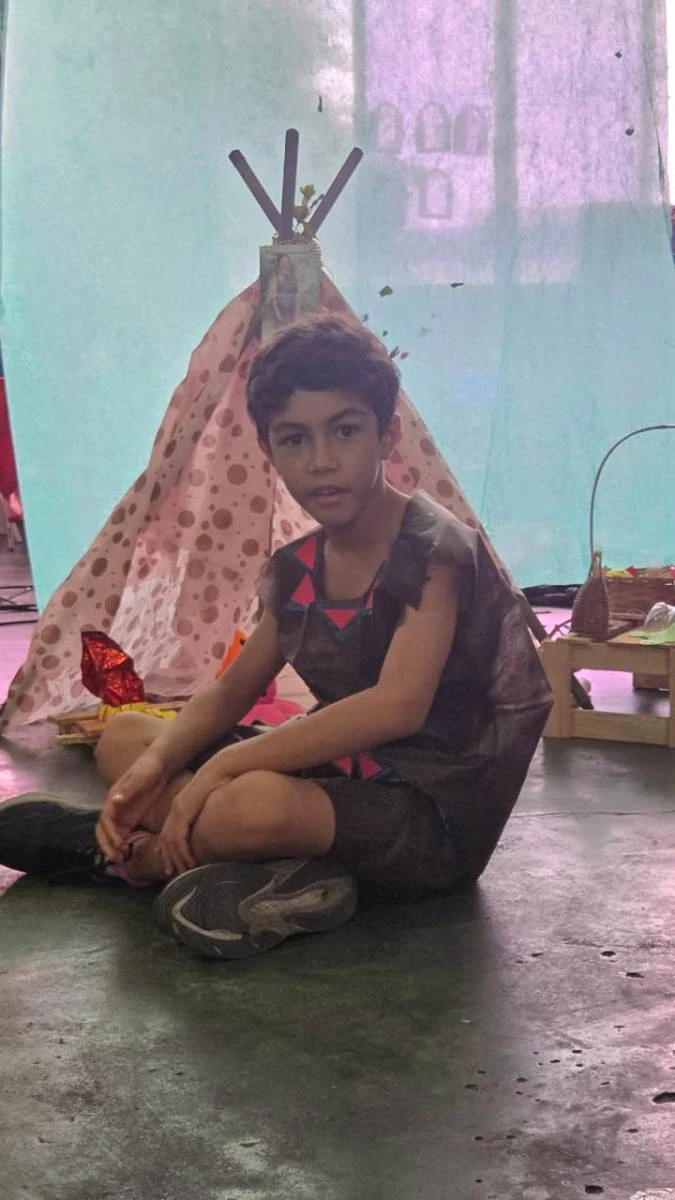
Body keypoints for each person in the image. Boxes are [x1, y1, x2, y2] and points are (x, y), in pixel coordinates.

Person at [0, 315, 552, 959]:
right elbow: (231, 691)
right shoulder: (299, 568)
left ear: (387, 435)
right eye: (295, 439)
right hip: (340, 775)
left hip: (429, 809)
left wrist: (222, 768)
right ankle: (283, 873)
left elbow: (398, 704)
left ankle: (133, 861)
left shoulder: (434, 551)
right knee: (125, 737)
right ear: (269, 450)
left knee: (252, 803)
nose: (322, 460)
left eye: (345, 430)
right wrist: (152, 770)